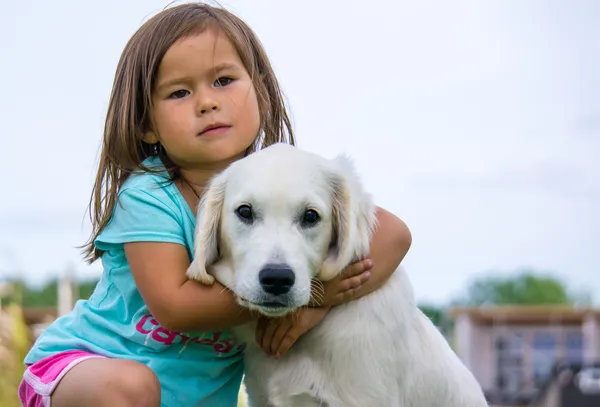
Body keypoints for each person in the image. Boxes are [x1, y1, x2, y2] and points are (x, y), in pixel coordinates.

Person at [18, 3, 412, 407]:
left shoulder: (278, 179)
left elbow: (394, 235)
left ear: (258, 90)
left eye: (223, 80)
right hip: (83, 371)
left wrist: (314, 303)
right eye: (180, 92)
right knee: (132, 387)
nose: (206, 102)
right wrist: (313, 294)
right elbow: (176, 306)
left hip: (186, 399)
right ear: (146, 124)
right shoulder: (148, 194)